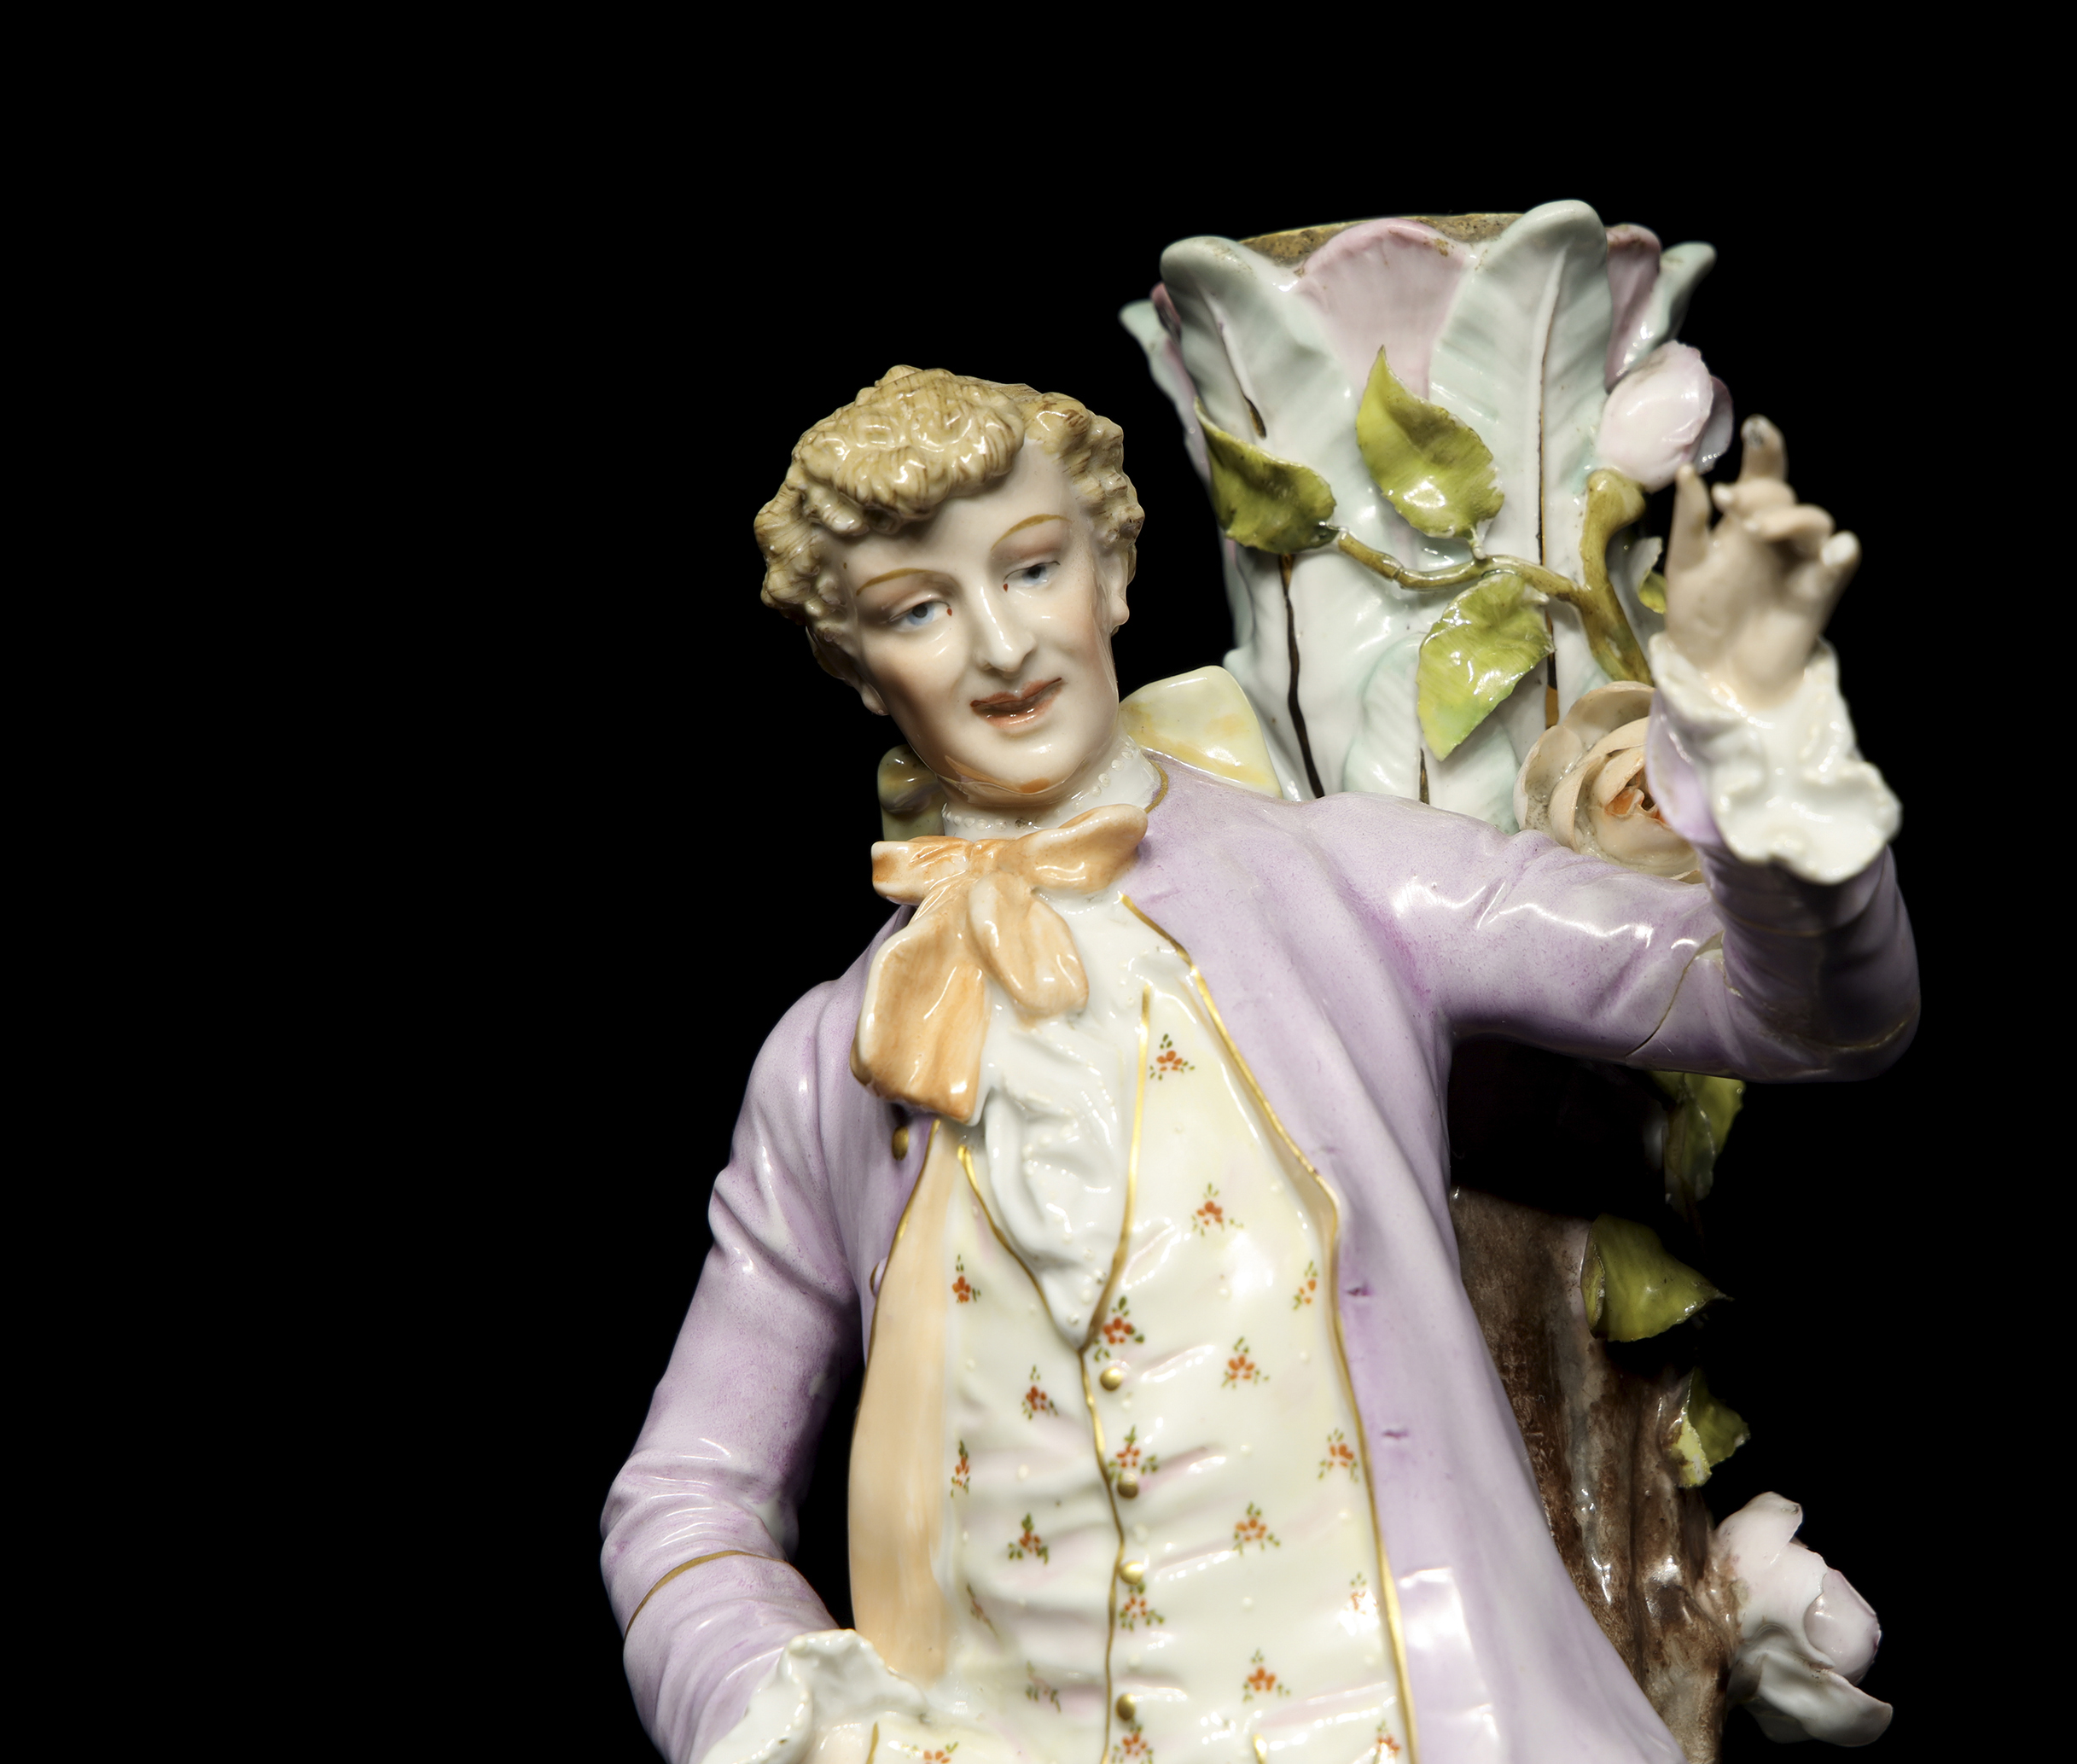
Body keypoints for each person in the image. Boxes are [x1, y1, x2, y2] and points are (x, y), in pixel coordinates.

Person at [603, 366, 1917, 1764]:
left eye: (1033, 568)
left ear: (1112, 575)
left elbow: (1803, 1011)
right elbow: (683, 1499)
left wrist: (1764, 754)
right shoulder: (832, 1064)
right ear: (861, 665)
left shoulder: (1349, 886)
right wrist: (789, 1718)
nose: (1000, 645)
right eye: (919, 609)